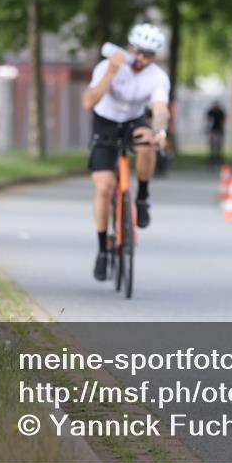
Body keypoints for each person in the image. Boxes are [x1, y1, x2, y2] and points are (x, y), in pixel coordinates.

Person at [83, 23, 170, 281]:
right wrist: (110, 71)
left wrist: (159, 132)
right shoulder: (107, 66)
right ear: (131, 47)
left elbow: (161, 109)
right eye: (140, 52)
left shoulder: (157, 76)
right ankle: (102, 250)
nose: (142, 59)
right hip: (105, 121)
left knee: (148, 144)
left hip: (133, 121)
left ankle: (142, 198)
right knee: (104, 187)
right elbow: (89, 102)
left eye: (149, 55)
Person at [205, 101, 226, 165]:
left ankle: (218, 156)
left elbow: (223, 120)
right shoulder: (211, 112)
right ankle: (212, 156)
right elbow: (208, 120)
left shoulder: (221, 112)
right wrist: (207, 128)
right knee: (212, 143)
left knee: (219, 144)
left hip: (219, 129)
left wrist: (222, 127)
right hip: (213, 129)